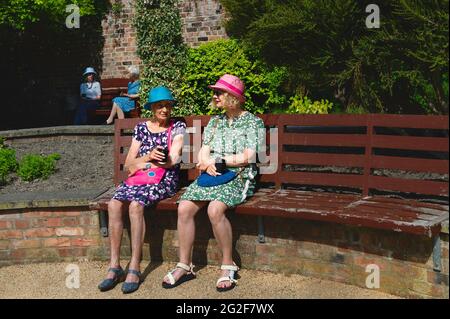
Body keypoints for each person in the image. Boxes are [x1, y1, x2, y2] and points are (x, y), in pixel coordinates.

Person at [162, 74, 265, 292]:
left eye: (219, 92)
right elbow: (202, 156)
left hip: (239, 176)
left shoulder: (253, 122)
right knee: (184, 207)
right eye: (215, 92)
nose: (215, 95)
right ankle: (185, 265)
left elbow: (248, 156)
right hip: (212, 175)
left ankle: (228, 265)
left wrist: (219, 161)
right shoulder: (215, 122)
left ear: (233, 96)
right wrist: (206, 162)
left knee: (215, 209)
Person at [98, 86, 186, 294]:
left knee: (136, 206)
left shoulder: (177, 126)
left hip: (164, 179)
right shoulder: (141, 128)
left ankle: (135, 266)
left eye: (168, 105)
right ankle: (115, 266)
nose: (165, 109)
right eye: (160, 105)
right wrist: (147, 159)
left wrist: (156, 161)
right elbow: (129, 164)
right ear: (152, 108)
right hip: (139, 179)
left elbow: (173, 160)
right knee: (114, 204)